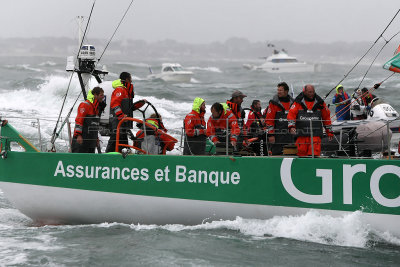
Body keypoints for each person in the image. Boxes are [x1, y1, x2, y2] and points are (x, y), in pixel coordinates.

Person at [287, 84, 334, 157]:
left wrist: (329, 131)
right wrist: (291, 126)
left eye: (313, 92)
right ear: (304, 92)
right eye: (309, 92)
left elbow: (326, 117)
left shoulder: (320, 103)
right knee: (301, 155)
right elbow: (291, 114)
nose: (312, 94)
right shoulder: (297, 103)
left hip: (315, 135)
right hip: (301, 135)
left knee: (314, 156)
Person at [106, 72, 134, 153]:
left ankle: (122, 161)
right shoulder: (120, 90)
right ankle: (104, 159)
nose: (131, 81)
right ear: (127, 79)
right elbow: (114, 104)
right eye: (130, 79)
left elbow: (129, 108)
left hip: (124, 123)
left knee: (123, 144)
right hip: (117, 122)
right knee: (114, 140)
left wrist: (140, 103)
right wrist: (121, 116)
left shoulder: (126, 92)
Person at [72, 87, 105, 153]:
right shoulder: (85, 105)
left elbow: (94, 125)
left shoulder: (97, 108)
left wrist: (96, 138)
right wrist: (78, 135)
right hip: (81, 140)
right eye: (101, 95)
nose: (103, 97)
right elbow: (79, 121)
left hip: (91, 142)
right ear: (95, 95)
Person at [265, 82, 294, 155]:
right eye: (278, 90)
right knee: (277, 154)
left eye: (280, 90)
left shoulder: (293, 103)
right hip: (278, 135)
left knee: (292, 153)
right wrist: (271, 135)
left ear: (286, 91)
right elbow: (269, 120)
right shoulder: (273, 103)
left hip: (290, 135)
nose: (278, 92)